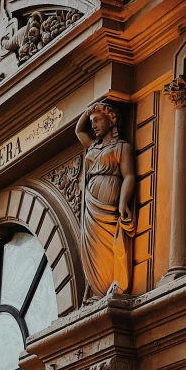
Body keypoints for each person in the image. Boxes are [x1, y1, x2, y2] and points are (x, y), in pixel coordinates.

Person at [76, 101, 136, 298]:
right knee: (93, 248)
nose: (93, 125)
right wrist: (89, 110)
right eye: (92, 122)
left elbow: (128, 176)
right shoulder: (92, 147)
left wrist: (123, 202)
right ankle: (99, 291)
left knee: (110, 244)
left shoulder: (122, 147)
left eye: (98, 120)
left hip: (109, 204)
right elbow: (79, 130)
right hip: (92, 205)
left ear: (111, 121)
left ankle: (113, 285)